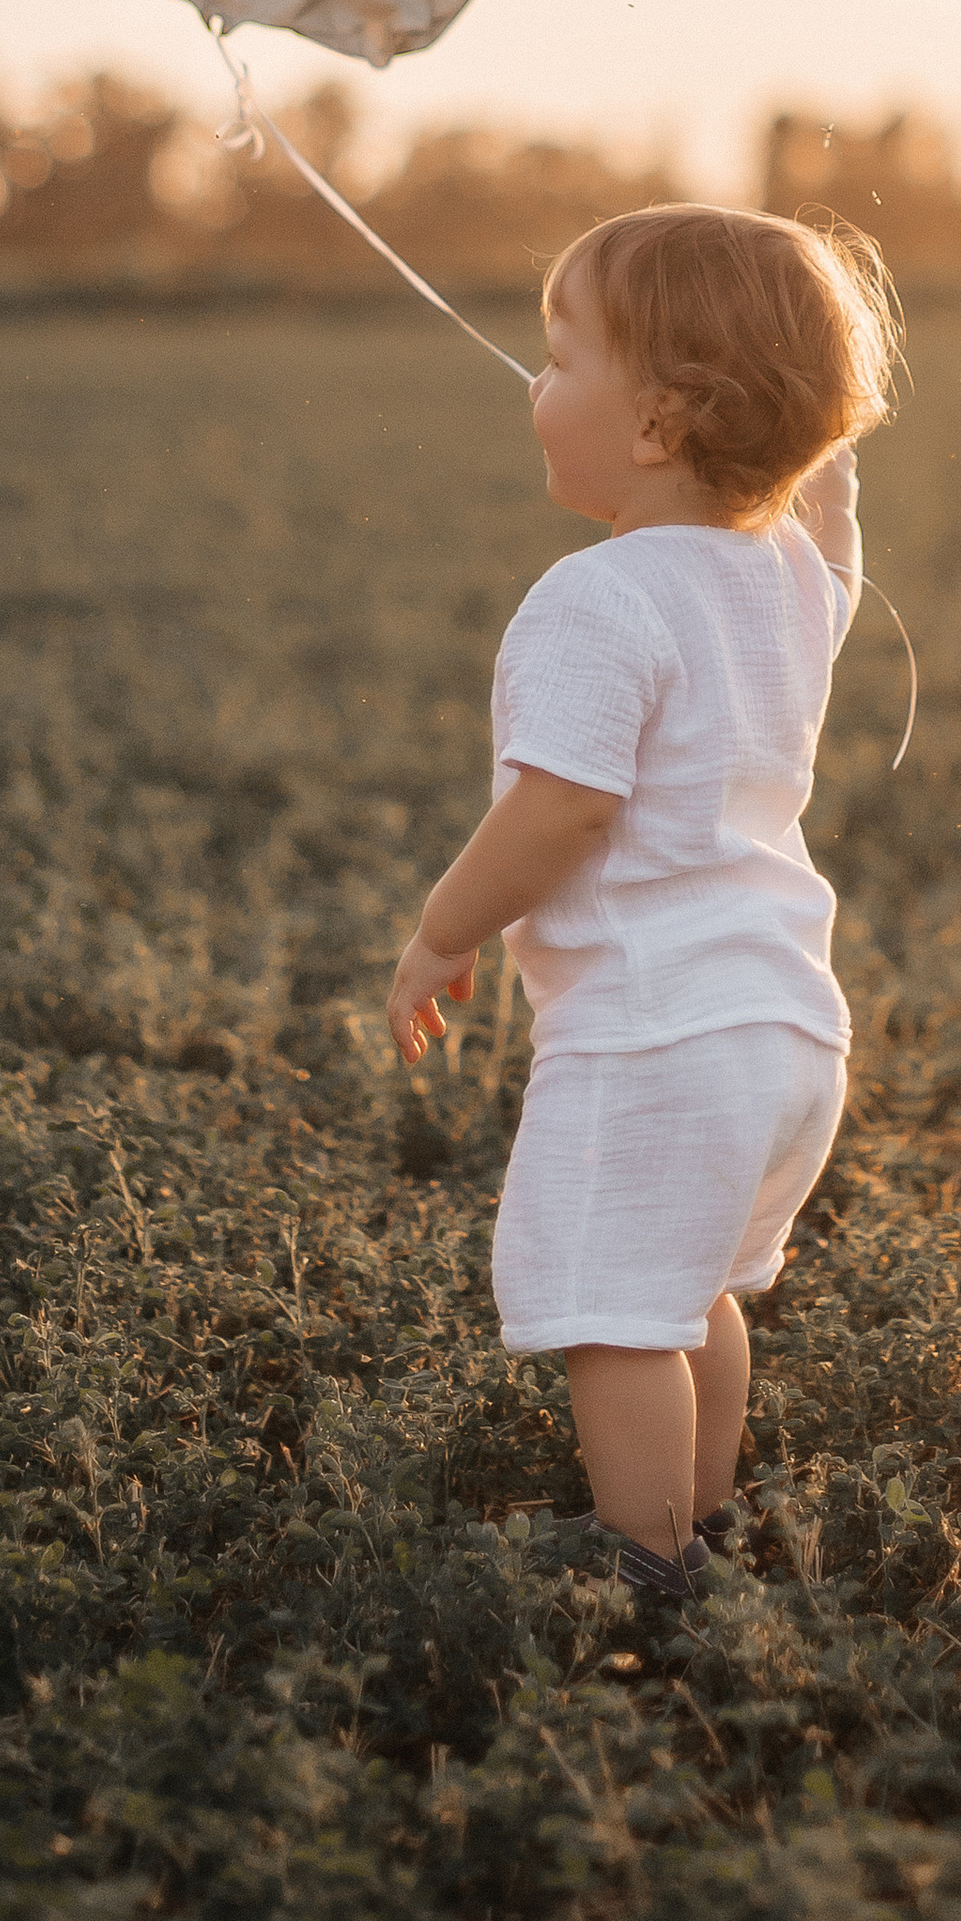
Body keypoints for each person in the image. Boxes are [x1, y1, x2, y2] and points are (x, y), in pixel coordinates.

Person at [387, 201, 899, 1599]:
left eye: (557, 360)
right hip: (788, 1032)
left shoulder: (594, 598)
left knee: (618, 1314)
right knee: (701, 1294)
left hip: (656, 1036)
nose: (533, 390)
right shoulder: (790, 580)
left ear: (663, 423)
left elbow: (559, 806)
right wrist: (812, 415)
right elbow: (830, 510)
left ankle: (650, 1568)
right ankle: (710, 1521)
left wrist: (443, 930)